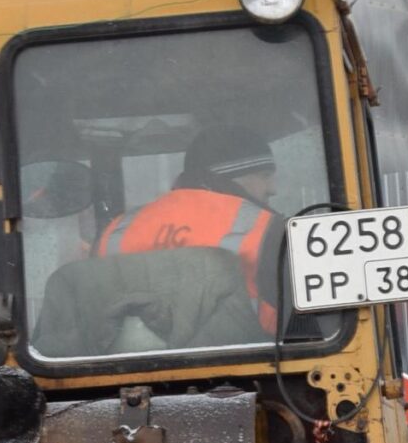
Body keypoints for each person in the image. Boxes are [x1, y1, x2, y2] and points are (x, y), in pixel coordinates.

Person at [95, 123, 284, 333]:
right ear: (230, 175)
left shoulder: (115, 231)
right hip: (250, 363)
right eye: (265, 176)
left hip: (134, 365)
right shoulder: (267, 229)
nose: (272, 189)